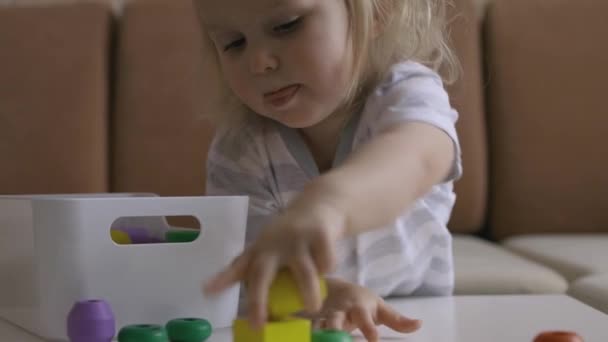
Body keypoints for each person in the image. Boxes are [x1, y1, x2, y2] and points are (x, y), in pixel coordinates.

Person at [194, 0, 462, 340]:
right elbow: (255, 275)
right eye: (234, 43)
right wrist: (322, 294)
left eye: (287, 25)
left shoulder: (407, 90)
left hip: (416, 322)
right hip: (314, 324)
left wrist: (327, 204)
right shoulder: (240, 146)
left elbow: (419, 158)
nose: (259, 62)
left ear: (377, 11)